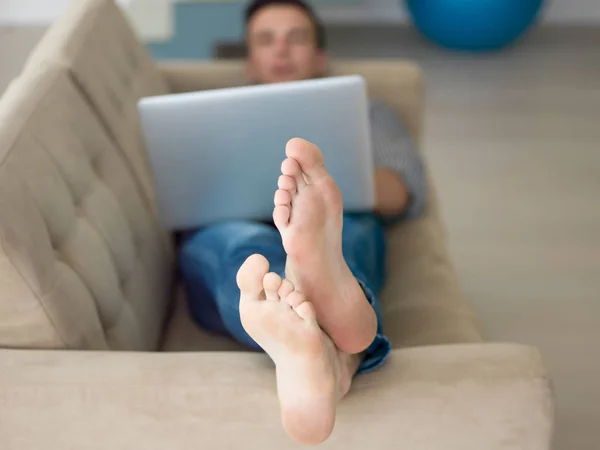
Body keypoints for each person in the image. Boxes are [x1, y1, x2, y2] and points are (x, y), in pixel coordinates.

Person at [179, 0, 427, 445]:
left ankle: (311, 297)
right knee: (245, 249)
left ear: (320, 57)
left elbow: (404, 190)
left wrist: (323, 188)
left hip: (344, 220)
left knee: (344, 238)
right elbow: (179, 196)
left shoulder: (367, 113)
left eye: (296, 38)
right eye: (265, 40)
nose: (281, 51)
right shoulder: (207, 118)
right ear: (249, 60)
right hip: (232, 223)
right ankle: (336, 358)